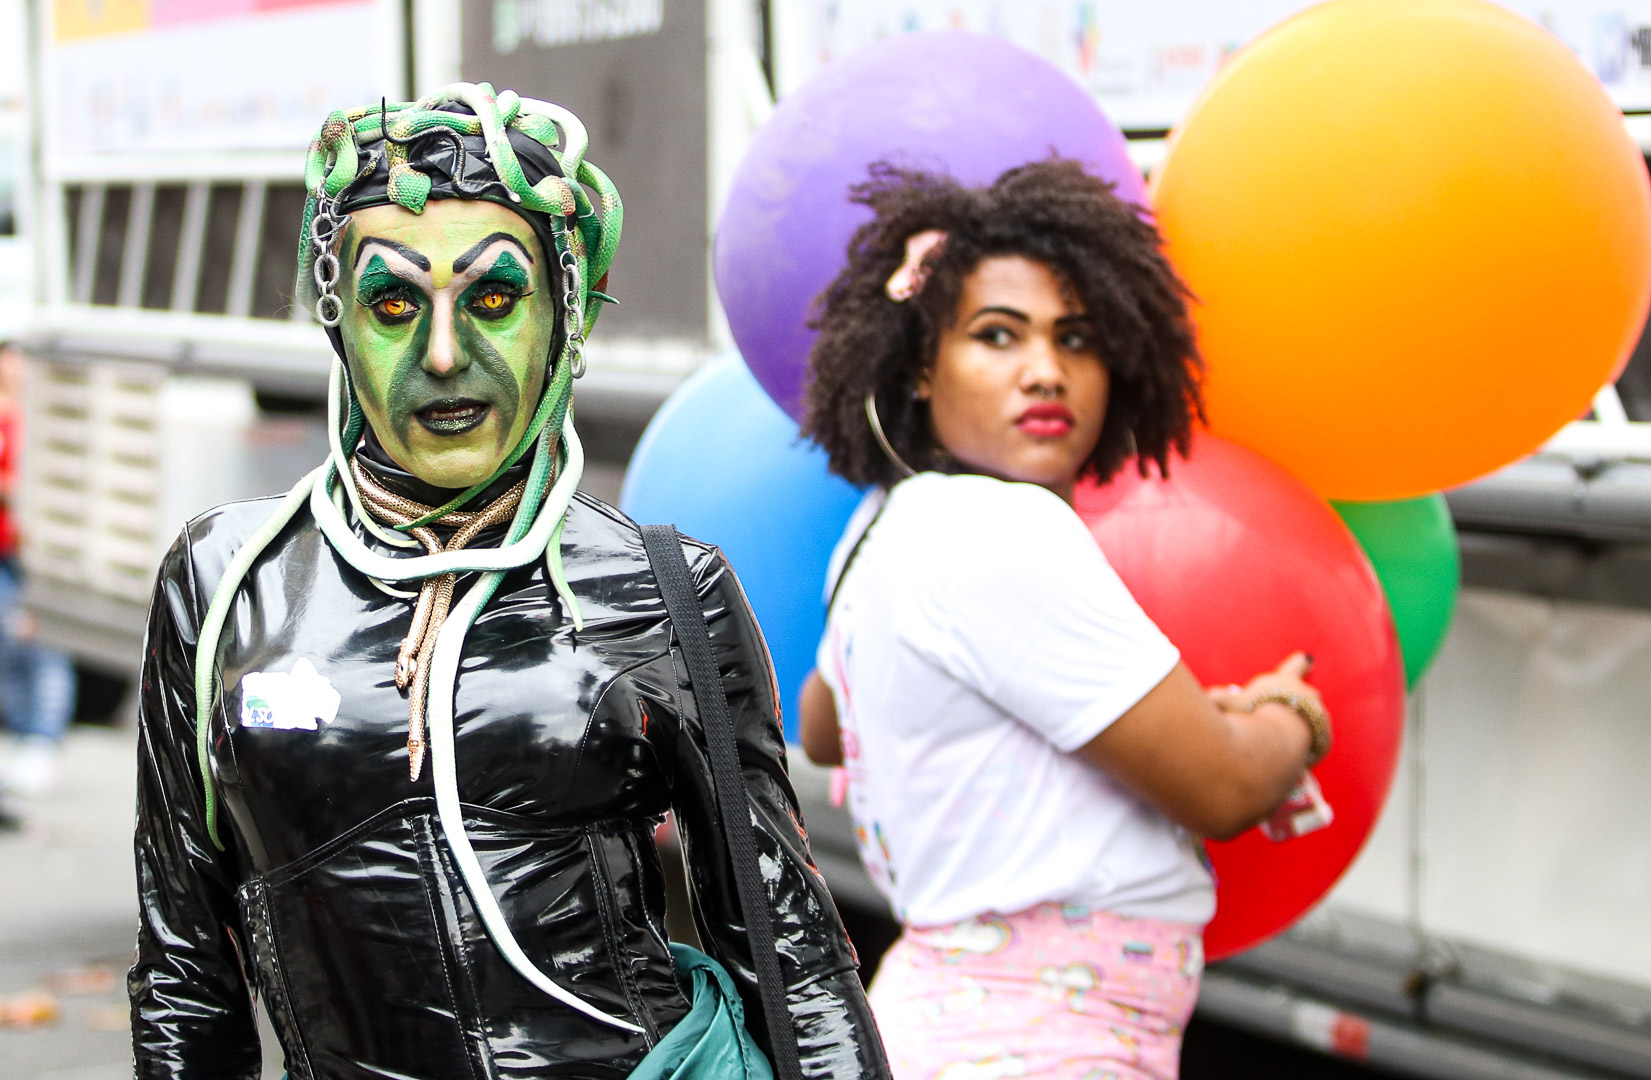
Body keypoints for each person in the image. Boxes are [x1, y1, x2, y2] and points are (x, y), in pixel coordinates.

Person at [128, 85, 889, 1080]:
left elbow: (790, 955)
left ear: (562, 317)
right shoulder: (228, 581)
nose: (445, 357)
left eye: (492, 299)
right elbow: (186, 970)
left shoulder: (667, 588)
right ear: (340, 325)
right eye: (394, 304)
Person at [797, 161, 1331, 1080]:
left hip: (938, 1026)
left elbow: (821, 727)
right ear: (921, 368)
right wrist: (1292, 716)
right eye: (996, 336)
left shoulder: (883, 522)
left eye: (1076, 338)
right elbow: (1226, 789)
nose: (1046, 371)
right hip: (1033, 1049)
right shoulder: (1001, 528)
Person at [0, 343, 76, 798]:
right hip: (7, 553)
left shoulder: (40, 420)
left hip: (34, 553)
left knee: (44, 644)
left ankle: (41, 740)